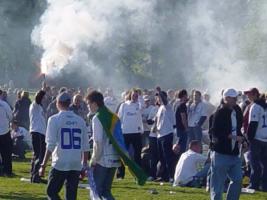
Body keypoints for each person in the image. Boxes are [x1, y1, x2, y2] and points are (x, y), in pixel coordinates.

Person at [39, 92, 89, 200]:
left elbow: (51, 145)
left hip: (60, 162)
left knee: (51, 192)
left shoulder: (54, 119)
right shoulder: (80, 120)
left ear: (58, 103)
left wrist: (43, 165)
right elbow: (85, 145)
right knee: (71, 196)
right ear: (69, 103)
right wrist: (84, 164)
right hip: (75, 162)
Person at [209, 88, 244, 200]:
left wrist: (244, 140)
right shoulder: (219, 112)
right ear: (226, 98)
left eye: (236, 98)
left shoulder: (238, 110)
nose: (236, 100)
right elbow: (215, 132)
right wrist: (233, 137)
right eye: (233, 98)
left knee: (238, 179)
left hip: (234, 153)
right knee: (218, 184)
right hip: (221, 152)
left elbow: (238, 128)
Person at [87, 90, 121, 200]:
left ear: (94, 103)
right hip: (115, 157)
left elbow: (98, 142)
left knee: (95, 191)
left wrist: (94, 160)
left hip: (103, 159)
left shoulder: (97, 118)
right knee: (106, 192)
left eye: (89, 103)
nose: (88, 106)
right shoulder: (113, 116)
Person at [117, 89, 144, 178]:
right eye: (133, 95)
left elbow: (142, 106)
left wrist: (139, 97)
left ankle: (138, 174)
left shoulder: (138, 105)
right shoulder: (124, 105)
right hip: (125, 132)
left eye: (136, 96)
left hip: (136, 132)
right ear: (130, 95)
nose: (135, 97)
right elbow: (119, 118)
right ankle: (120, 174)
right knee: (123, 154)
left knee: (137, 154)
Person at [247, 91, 267, 191]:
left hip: (257, 138)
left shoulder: (256, 106)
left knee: (255, 164)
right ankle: (264, 186)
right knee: (265, 165)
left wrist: (249, 138)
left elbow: (253, 124)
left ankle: (253, 185)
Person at [154, 91, 176, 182]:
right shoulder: (160, 108)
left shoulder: (168, 106)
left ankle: (171, 176)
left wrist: (160, 92)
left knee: (168, 157)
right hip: (160, 135)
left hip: (167, 134)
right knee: (162, 158)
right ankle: (163, 176)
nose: (158, 99)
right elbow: (157, 120)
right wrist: (154, 126)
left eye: (159, 97)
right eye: (157, 98)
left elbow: (165, 101)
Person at [29, 90, 47, 183]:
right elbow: (38, 98)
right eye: (43, 98)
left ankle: (34, 175)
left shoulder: (39, 107)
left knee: (38, 155)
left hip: (41, 133)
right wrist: (43, 90)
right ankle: (35, 177)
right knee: (39, 155)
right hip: (37, 132)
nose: (44, 99)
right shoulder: (34, 105)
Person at [0, 89, 13, 176]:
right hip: (4, 131)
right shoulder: (4, 104)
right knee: (6, 153)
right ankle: (7, 171)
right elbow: (10, 116)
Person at [174, 89, 188, 154]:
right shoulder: (182, 105)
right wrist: (186, 128)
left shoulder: (178, 104)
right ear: (184, 95)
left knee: (178, 144)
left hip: (178, 128)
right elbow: (183, 118)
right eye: (186, 95)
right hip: (182, 129)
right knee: (182, 147)